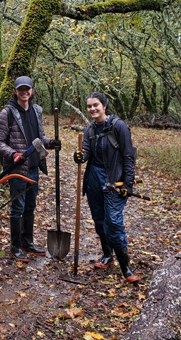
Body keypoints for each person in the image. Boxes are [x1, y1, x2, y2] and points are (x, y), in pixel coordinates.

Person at [0, 76, 61, 262]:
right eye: (20, 89)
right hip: (17, 169)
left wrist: (52, 143)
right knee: (18, 207)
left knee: (30, 206)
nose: (24, 92)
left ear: (32, 90)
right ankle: (15, 247)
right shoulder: (8, 113)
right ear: (15, 91)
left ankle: (27, 242)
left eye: (27, 89)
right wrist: (13, 154)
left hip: (34, 167)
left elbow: (40, 138)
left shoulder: (36, 110)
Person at [73, 92, 139, 283]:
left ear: (104, 105)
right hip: (93, 178)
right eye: (89, 106)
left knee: (114, 221)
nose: (92, 109)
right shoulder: (89, 129)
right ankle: (107, 256)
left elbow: (128, 156)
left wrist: (128, 183)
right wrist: (80, 157)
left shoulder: (119, 126)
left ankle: (126, 267)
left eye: (96, 105)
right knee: (100, 219)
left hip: (114, 179)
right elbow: (85, 152)